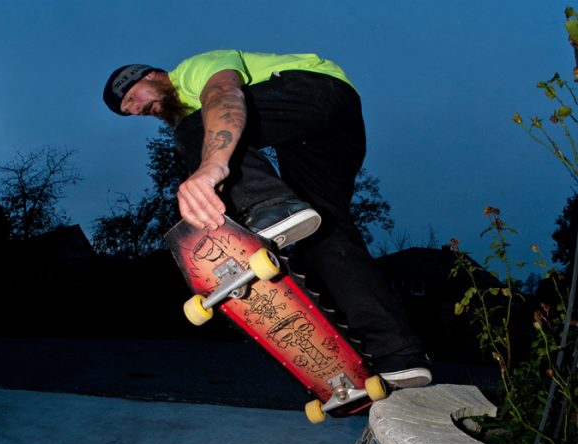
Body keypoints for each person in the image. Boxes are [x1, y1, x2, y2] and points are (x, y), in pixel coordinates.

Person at [103, 50, 431, 387]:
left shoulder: (193, 71)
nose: (137, 110)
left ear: (152, 75)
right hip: (333, 131)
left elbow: (224, 95)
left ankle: (271, 208)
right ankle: (399, 354)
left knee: (196, 127)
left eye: (132, 98)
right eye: (131, 112)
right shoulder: (173, 99)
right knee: (326, 233)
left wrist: (211, 167)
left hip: (314, 90)